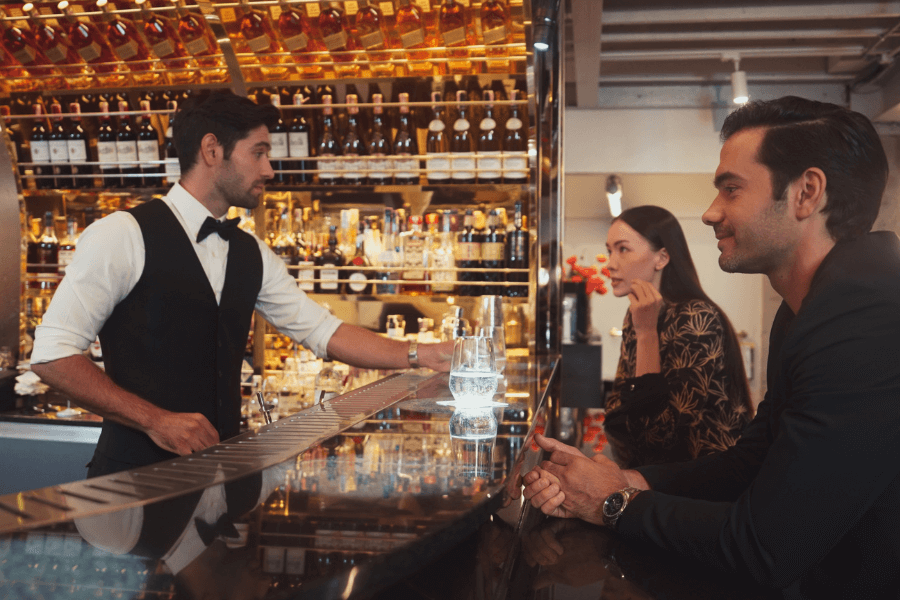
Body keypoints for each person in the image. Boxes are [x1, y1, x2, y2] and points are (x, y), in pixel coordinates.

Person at [522, 96, 900, 599]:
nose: (709, 212)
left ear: (806, 193)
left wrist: (612, 500)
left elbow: (766, 545)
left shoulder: (866, 318)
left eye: (731, 189)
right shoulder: (807, 309)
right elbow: (750, 462)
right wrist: (624, 476)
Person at [30, 91, 452, 478]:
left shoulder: (249, 251)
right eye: (260, 153)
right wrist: (155, 420)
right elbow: (52, 356)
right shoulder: (121, 234)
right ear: (212, 150)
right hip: (133, 481)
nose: (270, 169)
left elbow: (325, 332)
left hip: (219, 478)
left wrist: (423, 354)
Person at [601, 205, 752, 468]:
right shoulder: (638, 314)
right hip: (657, 476)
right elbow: (617, 413)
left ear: (661, 258)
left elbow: (658, 437)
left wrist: (647, 334)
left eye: (623, 249)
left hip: (705, 486)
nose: (610, 264)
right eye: (609, 251)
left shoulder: (696, 317)